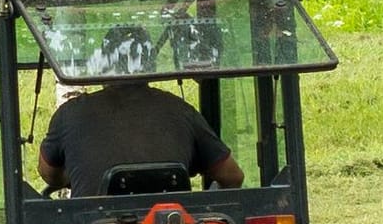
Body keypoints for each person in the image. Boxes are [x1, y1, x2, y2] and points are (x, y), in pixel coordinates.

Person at [38, 25, 245, 197]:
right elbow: (232, 177)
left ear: (103, 65)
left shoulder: (70, 115)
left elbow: (48, 173)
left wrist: (76, 174)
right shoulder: (182, 112)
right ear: (150, 66)